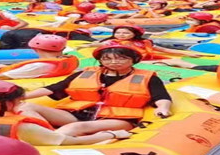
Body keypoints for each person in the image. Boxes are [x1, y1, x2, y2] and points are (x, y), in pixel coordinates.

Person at [22, 45, 173, 138]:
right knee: (25, 107)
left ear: (133, 60)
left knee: (75, 128)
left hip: (118, 120)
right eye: (107, 59)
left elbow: (161, 96)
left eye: (121, 59)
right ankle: (45, 135)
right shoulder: (85, 73)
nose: (114, 62)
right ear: (101, 61)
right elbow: (53, 88)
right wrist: (21, 97)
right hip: (78, 115)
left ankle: (49, 140)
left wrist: (163, 108)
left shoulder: (147, 78)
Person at [0, 80, 119, 145]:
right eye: (17, 101)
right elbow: (70, 141)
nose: (19, 104)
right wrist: (111, 134)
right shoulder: (23, 128)